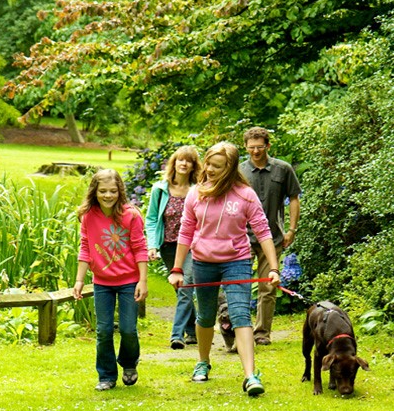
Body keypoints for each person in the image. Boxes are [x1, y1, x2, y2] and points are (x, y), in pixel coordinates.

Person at [167, 142, 281, 396]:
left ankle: (250, 375)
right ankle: (203, 361)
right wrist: (177, 268)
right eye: (208, 163)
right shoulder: (196, 193)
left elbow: (263, 231)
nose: (208, 169)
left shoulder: (245, 194)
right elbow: (185, 232)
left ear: (229, 169)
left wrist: (274, 267)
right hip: (203, 262)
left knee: (241, 314)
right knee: (205, 316)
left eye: (216, 166)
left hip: (237, 261)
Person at [72, 169, 149, 391]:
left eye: (113, 191)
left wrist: (142, 281)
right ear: (94, 192)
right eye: (103, 191)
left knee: (128, 329)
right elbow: (85, 247)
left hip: (128, 281)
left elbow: (139, 247)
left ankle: (128, 363)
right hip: (102, 282)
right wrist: (79, 280)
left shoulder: (131, 215)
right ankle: (106, 375)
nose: (108, 195)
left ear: (120, 191)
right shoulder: (88, 216)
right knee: (104, 330)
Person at [239, 127, 301, 346]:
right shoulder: (238, 171)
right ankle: (240, 330)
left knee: (268, 286)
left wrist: (291, 229)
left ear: (268, 146)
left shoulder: (282, 169)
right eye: (251, 147)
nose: (255, 151)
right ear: (245, 147)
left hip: (273, 237)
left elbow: (294, 198)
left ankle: (262, 332)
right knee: (240, 286)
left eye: (260, 147)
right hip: (241, 238)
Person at [144, 145, 202, 349]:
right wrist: (152, 245)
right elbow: (151, 219)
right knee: (181, 288)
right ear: (174, 163)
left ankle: (176, 335)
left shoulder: (199, 189)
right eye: (180, 160)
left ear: (194, 166)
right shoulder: (160, 189)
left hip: (192, 246)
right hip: (168, 246)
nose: (184, 164)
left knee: (185, 285)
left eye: (189, 161)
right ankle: (192, 331)